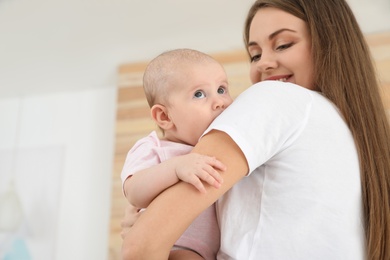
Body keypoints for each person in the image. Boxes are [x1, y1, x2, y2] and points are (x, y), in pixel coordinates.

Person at [121, 0, 390, 259]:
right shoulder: (359, 139)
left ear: (330, 42)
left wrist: (146, 231)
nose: (263, 64)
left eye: (283, 44)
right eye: (255, 55)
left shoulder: (276, 97)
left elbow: (140, 248)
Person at [120, 48, 233, 259]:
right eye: (199, 94)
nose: (220, 102)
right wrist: (176, 167)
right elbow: (134, 191)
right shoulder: (154, 147)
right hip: (173, 247)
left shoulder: (225, 147)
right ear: (164, 116)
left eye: (222, 89)